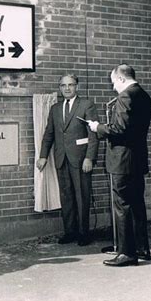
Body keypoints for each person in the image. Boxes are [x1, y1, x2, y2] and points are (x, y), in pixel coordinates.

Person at [88, 64, 151, 267]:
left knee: (122, 205)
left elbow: (119, 129)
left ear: (122, 79)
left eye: (114, 82)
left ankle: (126, 253)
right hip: (137, 159)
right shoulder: (144, 95)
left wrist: (97, 127)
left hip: (122, 161)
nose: (113, 87)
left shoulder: (125, 96)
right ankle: (142, 248)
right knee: (136, 205)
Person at [36, 74, 99, 246]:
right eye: (63, 85)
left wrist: (89, 158)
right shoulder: (55, 108)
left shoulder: (86, 105)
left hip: (80, 160)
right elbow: (49, 134)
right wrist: (42, 156)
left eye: (71, 85)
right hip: (61, 159)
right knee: (66, 198)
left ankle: (83, 233)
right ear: (60, 87)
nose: (67, 88)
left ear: (77, 86)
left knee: (82, 197)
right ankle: (69, 232)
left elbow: (93, 135)